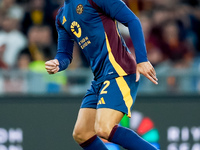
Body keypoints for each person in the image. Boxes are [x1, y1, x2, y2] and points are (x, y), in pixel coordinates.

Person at [45, 0, 158, 149]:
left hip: (119, 70)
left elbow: (132, 20)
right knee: (82, 133)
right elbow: (64, 54)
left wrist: (142, 59)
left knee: (105, 128)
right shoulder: (61, 16)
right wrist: (58, 63)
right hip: (100, 77)